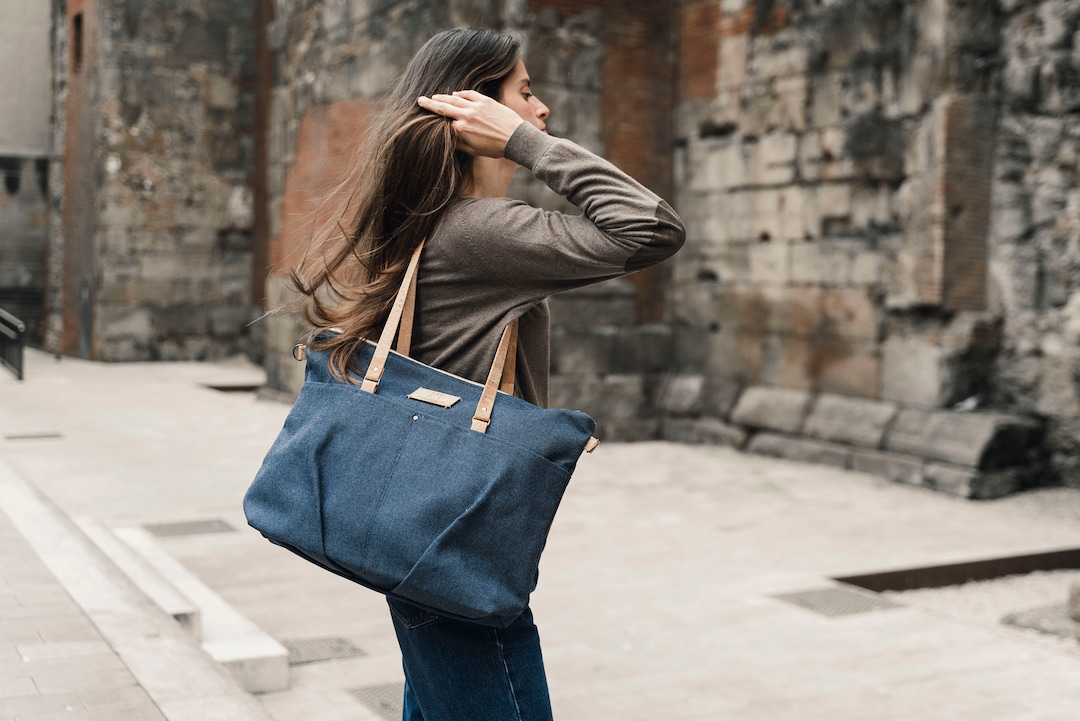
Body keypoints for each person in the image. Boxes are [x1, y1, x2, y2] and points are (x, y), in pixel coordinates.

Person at [291, 26, 684, 721]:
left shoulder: (431, 221)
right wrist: (523, 144)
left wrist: (514, 132)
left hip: (426, 535)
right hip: (457, 544)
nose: (542, 112)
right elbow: (650, 228)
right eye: (524, 94)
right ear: (476, 110)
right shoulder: (480, 232)